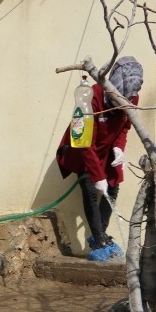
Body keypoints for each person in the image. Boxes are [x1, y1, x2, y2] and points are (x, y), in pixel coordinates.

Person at [56, 56, 143, 261]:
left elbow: (124, 126)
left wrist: (119, 149)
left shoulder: (131, 97)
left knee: (113, 186)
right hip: (81, 149)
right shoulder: (90, 98)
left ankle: (100, 237)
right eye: (117, 99)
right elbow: (84, 142)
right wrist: (97, 176)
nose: (123, 103)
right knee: (90, 189)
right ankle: (99, 238)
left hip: (107, 151)